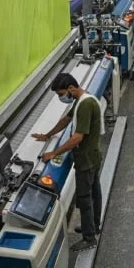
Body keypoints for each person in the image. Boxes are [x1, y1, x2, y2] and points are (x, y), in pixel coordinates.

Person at [32, 73, 105, 252]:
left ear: (71, 89)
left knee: (85, 197)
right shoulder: (82, 99)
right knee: (95, 192)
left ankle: (89, 238)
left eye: (61, 94)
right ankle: (94, 226)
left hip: (86, 160)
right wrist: (47, 135)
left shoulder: (85, 104)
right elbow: (66, 120)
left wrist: (54, 153)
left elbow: (77, 137)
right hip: (92, 156)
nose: (61, 97)